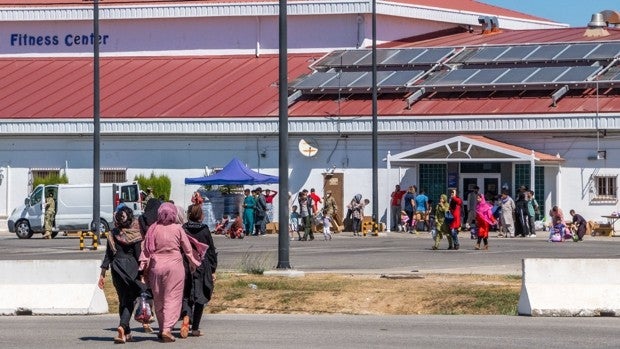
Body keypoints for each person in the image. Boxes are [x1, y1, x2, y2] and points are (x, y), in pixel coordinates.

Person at [139, 202, 202, 343]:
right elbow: (187, 249)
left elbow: (146, 250)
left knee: (159, 299)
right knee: (172, 298)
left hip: (156, 266)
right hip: (174, 266)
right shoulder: (178, 228)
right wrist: (193, 263)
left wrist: (143, 268)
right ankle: (167, 329)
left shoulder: (153, 229)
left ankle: (162, 329)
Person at [98, 206, 145, 344]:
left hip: (116, 268)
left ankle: (127, 333)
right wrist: (142, 274)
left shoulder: (112, 234)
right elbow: (138, 256)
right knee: (130, 300)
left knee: (123, 299)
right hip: (131, 268)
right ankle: (122, 326)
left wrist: (102, 274)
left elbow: (108, 255)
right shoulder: (135, 235)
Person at [181, 203, 217, 338]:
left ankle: (186, 317)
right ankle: (195, 328)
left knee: (186, 294)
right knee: (200, 296)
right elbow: (211, 251)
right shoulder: (205, 230)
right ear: (201, 215)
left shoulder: (183, 228)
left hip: (186, 265)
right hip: (202, 265)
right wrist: (213, 269)